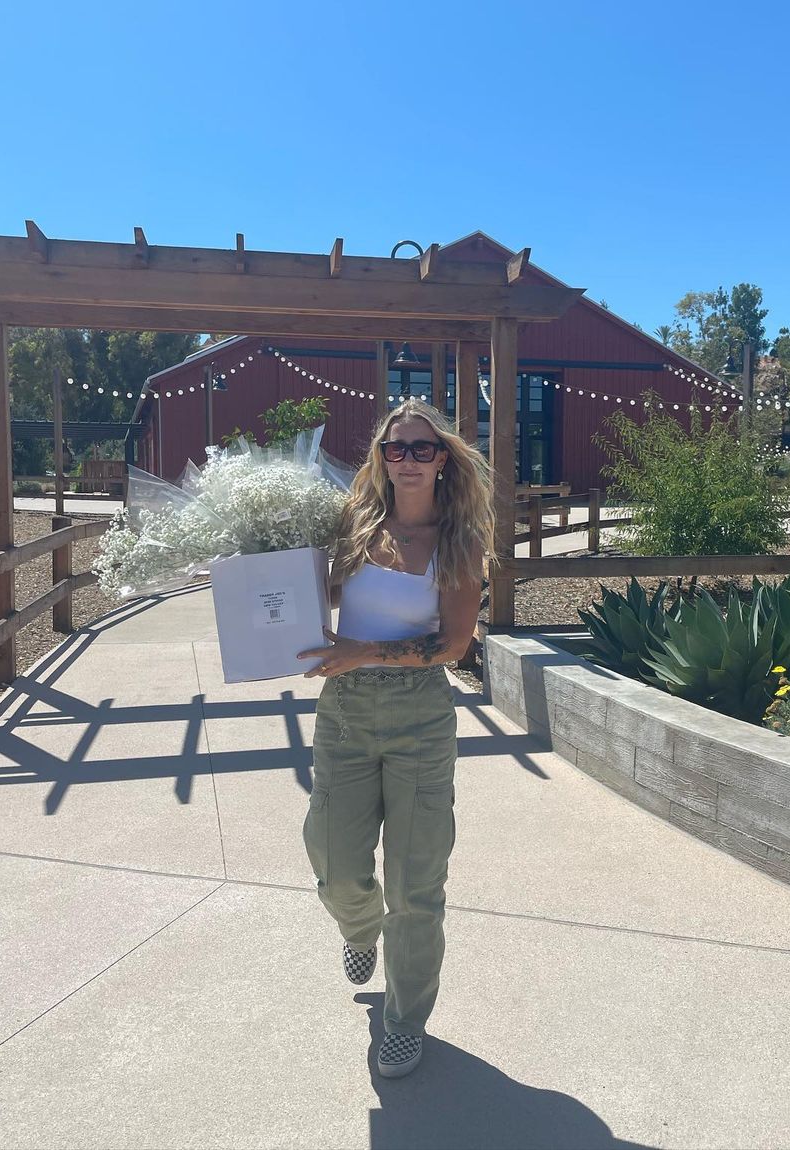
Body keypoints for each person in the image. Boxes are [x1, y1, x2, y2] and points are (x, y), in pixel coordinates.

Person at [299, 397, 494, 1079]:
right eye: (395, 448)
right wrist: (254, 578)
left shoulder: (458, 540)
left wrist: (365, 652)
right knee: (334, 860)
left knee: (415, 887)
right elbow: (312, 593)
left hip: (420, 718)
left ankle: (405, 1021)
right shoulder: (352, 525)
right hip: (345, 713)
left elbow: (454, 646)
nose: (407, 459)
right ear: (381, 458)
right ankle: (359, 928)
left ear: (443, 460)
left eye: (421, 448)